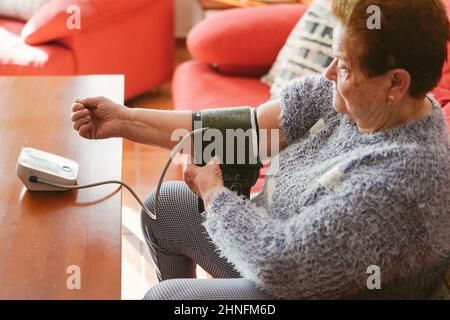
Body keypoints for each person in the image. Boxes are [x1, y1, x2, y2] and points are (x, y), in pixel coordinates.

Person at [70, 0, 450, 299]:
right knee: (163, 209)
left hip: (303, 286)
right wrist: (123, 121)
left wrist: (214, 194)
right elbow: (244, 130)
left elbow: (280, 265)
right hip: (276, 249)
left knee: (167, 299)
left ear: (395, 83)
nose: (330, 72)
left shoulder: (401, 180)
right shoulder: (353, 102)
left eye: (346, 65)